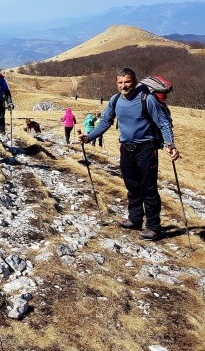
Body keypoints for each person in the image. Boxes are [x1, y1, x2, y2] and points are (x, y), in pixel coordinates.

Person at [77, 68, 180, 241]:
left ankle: (154, 228)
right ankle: (135, 219)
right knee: (132, 186)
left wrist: (171, 144)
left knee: (148, 188)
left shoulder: (147, 99)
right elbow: (105, 122)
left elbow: (163, 123)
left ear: (134, 81)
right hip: (126, 148)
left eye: (127, 82)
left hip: (146, 149)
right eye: (120, 82)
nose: (124, 86)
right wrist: (88, 137)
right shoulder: (115, 100)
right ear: (116, 83)